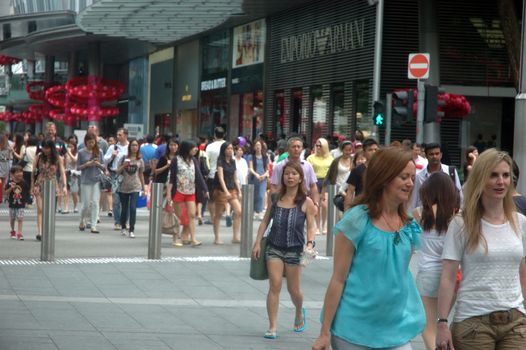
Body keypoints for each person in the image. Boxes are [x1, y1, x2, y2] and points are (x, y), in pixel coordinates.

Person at [312, 147, 425, 350]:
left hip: (396, 329)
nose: (410, 183)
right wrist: (324, 333)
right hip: (353, 330)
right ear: (384, 178)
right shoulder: (357, 219)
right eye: (404, 177)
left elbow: (399, 276)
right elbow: (338, 279)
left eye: (412, 178)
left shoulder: (409, 225)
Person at [436, 149, 526, 350]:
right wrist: (442, 323)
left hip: (516, 322)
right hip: (473, 323)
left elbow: (523, 273)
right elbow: (448, 277)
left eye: (505, 175)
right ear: (480, 178)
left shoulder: (520, 222)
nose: (501, 181)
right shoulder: (461, 224)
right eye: (493, 175)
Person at [252, 161, 317, 340]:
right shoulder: (275, 198)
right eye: (287, 174)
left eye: (294, 174)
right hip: (274, 248)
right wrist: (257, 242)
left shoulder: (306, 202)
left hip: (295, 250)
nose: (290, 177)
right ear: (283, 177)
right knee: (275, 285)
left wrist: (310, 243)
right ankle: (272, 326)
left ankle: (298, 311)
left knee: (294, 290)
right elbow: (265, 221)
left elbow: (311, 226)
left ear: (300, 178)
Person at [412, 172, 459, 350]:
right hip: (452, 276)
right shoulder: (457, 216)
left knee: (428, 325)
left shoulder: (419, 214)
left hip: (427, 275)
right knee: (444, 321)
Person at [166, 139, 208, 247]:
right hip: (179, 191)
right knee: (178, 217)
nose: (196, 149)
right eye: (193, 147)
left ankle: (193, 238)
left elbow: (198, 176)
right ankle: (177, 237)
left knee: (192, 215)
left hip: (191, 191)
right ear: (186, 148)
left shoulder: (194, 160)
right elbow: (172, 178)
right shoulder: (176, 160)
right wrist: (169, 193)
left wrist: (205, 189)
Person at [409, 142, 463, 212]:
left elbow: (460, 196)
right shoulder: (419, 176)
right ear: (426, 156)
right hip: (426, 216)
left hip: (449, 215)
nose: (434, 156)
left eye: (437, 154)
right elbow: (414, 199)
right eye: (431, 154)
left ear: (441, 155)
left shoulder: (451, 172)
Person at [31, 139, 67, 241]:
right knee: (40, 209)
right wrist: (32, 185)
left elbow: (62, 172)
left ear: (52, 148)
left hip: (52, 185)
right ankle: (40, 232)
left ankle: (48, 231)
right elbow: (33, 171)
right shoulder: (38, 157)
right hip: (40, 184)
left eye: (47, 147)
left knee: (50, 210)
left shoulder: (58, 158)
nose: (45, 150)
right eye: (44, 147)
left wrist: (64, 186)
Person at [271, 136, 319, 206]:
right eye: (293, 147)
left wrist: (315, 203)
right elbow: (274, 186)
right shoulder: (279, 166)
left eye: (298, 147)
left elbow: (313, 186)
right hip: (284, 201)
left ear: (302, 149)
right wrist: (274, 203)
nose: (296, 149)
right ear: (287, 149)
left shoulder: (308, 166)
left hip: (304, 201)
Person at [213, 142, 242, 244]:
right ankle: (217, 237)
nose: (230, 150)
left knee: (238, 211)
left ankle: (235, 236)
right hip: (221, 190)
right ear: (224, 150)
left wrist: (239, 190)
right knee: (218, 214)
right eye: (228, 148)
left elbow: (235, 177)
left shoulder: (233, 162)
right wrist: (225, 191)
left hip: (232, 189)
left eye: (231, 148)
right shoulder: (220, 160)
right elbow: (221, 177)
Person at [116, 139, 145, 238]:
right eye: (132, 145)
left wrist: (143, 187)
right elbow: (117, 171)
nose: (134, 147)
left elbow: (141, 174)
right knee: (124, 209)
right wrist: (124, 165)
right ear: (129, 147)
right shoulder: (124, 157)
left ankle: (132, 229)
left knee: (133, 208)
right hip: (124, 186)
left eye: (136, 145)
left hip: (135, 187)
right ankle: (123, 227)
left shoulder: (140, 160)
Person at [77, 132, 104, 234]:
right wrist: (87, 164)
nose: (91, 144)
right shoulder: (81, 152)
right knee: (86, 204)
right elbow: (78, 167)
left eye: (93, 142)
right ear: (85, 142)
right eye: (89, 142)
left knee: (95, 203)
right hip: (85, 180)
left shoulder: (99, 152)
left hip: (96, 180)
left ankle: (93, 225)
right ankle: (82, 220)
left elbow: (103, 166)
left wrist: (98, 164)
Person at [343, 138, 379, 211]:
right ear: (364, 152)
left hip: (378, 207)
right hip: (361, 207)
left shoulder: (382, 169)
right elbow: (350, 191)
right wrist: (346, 210)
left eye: (375, 150)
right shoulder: (357, 170)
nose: (373, 152)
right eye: (370, 150)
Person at [104, 128, 129, 230]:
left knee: (126, 199)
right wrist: (112, 156)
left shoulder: (130, 146)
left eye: (120, 135)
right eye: (117, 135)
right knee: (116, 199)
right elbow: (105, 160)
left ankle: (125, 221)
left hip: (127, 175)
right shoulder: (113, 147)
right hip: (115, 174)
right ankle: (117, 221)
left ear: (125, 135)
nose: (118, 137)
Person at [307, 138, 333, 235]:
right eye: (316, 145)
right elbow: (308, 171)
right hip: (315, 181)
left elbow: (332, 172)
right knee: (316, 204)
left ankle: (324, 224)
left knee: (325, 205)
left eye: (320, 146)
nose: (318, 147)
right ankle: (317, 226)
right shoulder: (311, 158)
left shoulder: (330, 158)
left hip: (327, 182)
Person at [323, 140, 353, 217]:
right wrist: (323, 191)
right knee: (337, 212)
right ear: (342, 150)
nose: (348, 152)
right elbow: (329, 175)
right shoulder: (336, 161)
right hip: (337, 187)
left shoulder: (353, 160)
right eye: (346, 150)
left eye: (350, 150)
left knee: (348, 210)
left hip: (349, 188)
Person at [205, 127, 226, 223]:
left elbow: (206, 161)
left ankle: (213, 218)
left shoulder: (210, 146)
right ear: (224, 135)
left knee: (211, 198)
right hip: (225, 175)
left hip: (212, 174)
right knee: (224, 196)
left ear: (214, 135)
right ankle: (222, 215)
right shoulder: (227, 145)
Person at [5, 165, 29, 240]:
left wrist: (27, 201)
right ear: (12, 174)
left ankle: (20, 233)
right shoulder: (10, 182)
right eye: (17, 172)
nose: (20, 174)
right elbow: (5, 192)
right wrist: (11, 188)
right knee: (12, 218)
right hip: (12, 204)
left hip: (21, 204)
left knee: (20, 219)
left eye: (21, 172)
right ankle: (12, 230)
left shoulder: (24, 182)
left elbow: (26, 192)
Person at [248, 138, 269, 220]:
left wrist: (263, 176)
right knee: (254, 195)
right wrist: (256, 174)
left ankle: (259, 211)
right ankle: (253, 211)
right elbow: (251, 168)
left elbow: (267, 169)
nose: (258, 147)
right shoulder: (251, 157)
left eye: (259, 145)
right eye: (256, 145)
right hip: (253, 178)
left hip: (263, 179)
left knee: (261, 195)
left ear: (261, 146)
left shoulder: (265, 157)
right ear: (254, 147)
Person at [63, 140, 79, 214]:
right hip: (67, 173)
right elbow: (64, 163)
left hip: (74, 174)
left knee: (74, 191)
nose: (69, 148)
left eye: (71, 147)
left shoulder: (77, 154)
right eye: (68, 146)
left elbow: (75, 160)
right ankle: (66, 207)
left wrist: (69, 152)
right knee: (66, 191)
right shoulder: (66, 154)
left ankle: (76, 206)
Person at [23, 136, 38, 205]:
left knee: (27, 185)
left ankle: (27, 199)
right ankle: (33, 198)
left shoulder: (27, 149)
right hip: (35, 169)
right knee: (35, 184)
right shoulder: (37, 149)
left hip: (27, 169)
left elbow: (25, 159)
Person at [0, 133, 12, 201]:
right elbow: (9, 157)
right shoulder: (8, 148)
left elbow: (9, 157)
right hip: (5, 164)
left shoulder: (8, 148)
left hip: (4, 164)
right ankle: (2, 196)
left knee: (3, 181)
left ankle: (2, 196)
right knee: (3, 182)